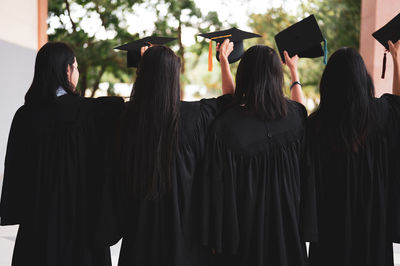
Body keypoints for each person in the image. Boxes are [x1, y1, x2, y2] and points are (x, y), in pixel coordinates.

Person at [0, 42, 124, 266]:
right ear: (66, 70)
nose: (77, 71)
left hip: (37, 228)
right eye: (75, 66)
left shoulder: (24, 116)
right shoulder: (91, 113)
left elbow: (15, 171)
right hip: (82, 230)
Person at [195, 45, 317, 266]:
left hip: (245, 239)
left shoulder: (225, 128)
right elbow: (300, 108)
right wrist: (294, 71)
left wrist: (224, 61)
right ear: (277, 77)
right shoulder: (296, 118)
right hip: (287, 232)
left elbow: (216, 190)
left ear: (244, 76)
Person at [116, 40, 234, 266]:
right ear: (174, 77)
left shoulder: (126, 117)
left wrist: (146, 66)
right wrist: (224, 61)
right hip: (184, 236)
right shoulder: (197, 115)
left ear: (143, 76)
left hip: (140, 236)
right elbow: (231, 99)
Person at [307, 41, 400, 266]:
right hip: (373, 220)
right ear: (363, 80)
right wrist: (396, 60)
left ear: (327, 83)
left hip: (331, 221)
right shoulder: (383, 114)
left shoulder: (316, 125)